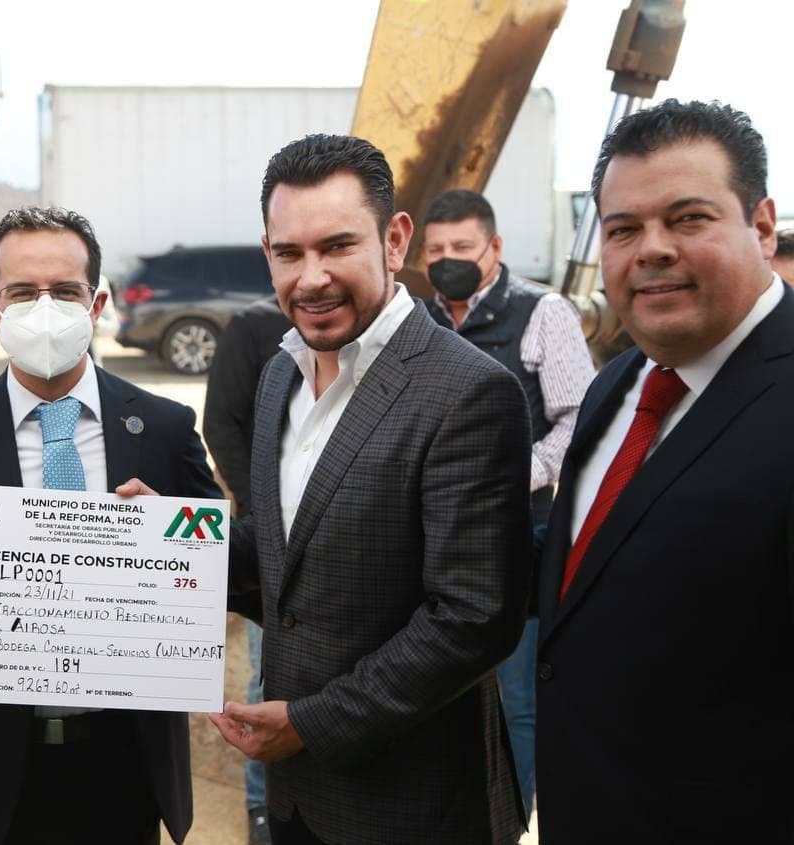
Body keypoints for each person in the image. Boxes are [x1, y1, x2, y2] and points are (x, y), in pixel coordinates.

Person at [211, 133, 532, 845]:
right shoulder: (280, 375)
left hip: (412, 807)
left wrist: (310, 724)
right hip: (299, 801)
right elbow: (283, 556)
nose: (311, 278)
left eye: (337, 246)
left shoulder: (469, 391)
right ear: (267, 253)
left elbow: (473, 617)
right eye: (289, 253)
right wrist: (166, 542)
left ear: (394, 240)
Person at [0, 206, 222, 845]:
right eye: (22, 293)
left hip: (124, 763)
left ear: (96, 305)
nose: (45, 309)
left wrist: (178, 545)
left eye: (64, 291)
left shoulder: (165, 430)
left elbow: (219, 576)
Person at [535, 100, 793, 842]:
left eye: (688, 219)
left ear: (762, 226)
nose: (650, 250)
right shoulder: (617, 385)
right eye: (623, 229)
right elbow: (588, 573)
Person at [422, 188, 595, 817]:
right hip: (431, 542)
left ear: (494, 247)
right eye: (435, 250)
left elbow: (581, 417)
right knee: (437, 690)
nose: (448, 259)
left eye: (462, 246)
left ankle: (510, 820)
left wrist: (521, 473)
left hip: (515, 541)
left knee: (515, 696)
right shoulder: (415, 318)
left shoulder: (543, 312)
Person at [202, 296, 293, 845]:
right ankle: (263, 803)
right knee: (268, 675)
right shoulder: (255, 328)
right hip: (266, 547)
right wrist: (264, 512)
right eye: (291, 255)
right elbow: (221, 424)